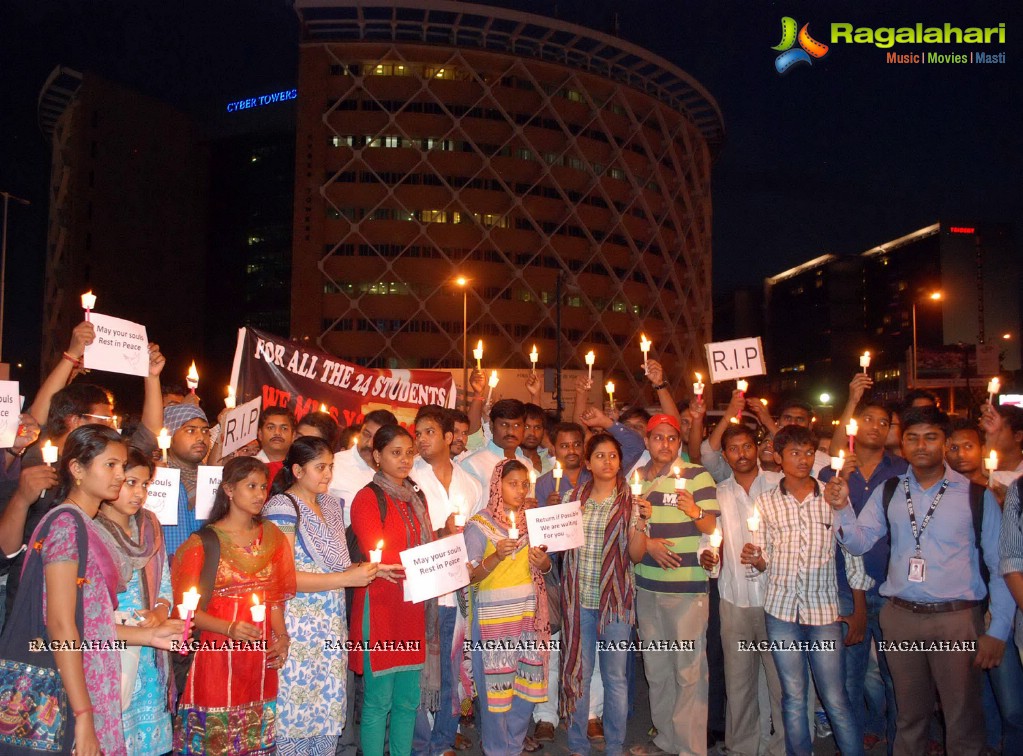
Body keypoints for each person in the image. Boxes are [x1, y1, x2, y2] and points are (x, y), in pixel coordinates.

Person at [828, 405, 1013, 755]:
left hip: (956, 620)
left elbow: (1000, 563)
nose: (921, 445)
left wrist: (998, 629)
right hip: (901, 619)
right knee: (909, 716)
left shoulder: (976, 495)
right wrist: (841, 508)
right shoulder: (890, 490)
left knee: (962, 718)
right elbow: (859, 540)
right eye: (912, 438)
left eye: (930, 437)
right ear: (903, 443)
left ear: (944, 442)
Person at [17, 425, 180, 756]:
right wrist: (83, 715)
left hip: (97, 673)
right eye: (111, 465)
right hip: (73, 686)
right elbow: (62, 627)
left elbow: (93, 625)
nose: (120, 475)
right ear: (77, 469)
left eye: (123, 466)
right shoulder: (66, 525)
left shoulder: (84, 525)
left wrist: (151, 637)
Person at [746, 424, 869, 756]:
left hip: (824, 612)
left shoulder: (833, 496)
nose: (802, 460)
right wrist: (756, 559)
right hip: (781, 612)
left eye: (808, 452)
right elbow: (764, 557)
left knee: (835, 696)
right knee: (793, 695)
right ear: (779, 456)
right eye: (794, 453)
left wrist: (859, 610)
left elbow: (852, 554)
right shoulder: (766, 502)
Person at [172, 456, 296, 755]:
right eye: (250, 486)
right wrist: (228, 627)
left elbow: (275, 597)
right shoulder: (204, 542)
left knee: (253, 740)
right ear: (228, 489)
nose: (259, 494)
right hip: (215, 655)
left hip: (258, 656)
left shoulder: (273, 538)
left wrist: (281, 637)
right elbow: (184, 610)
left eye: (263, 486)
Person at [264, 436, 380, 756]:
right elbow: (284, 578)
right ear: (298, 470)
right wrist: (347, 578)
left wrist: (368, 570)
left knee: (326, 708)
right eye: (320, 467)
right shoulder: (281, 508)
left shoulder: (329, 505)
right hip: (297, 626)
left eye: (330, 466)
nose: (327, 474)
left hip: (329, 623)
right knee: (295, 709)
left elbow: (337, 565)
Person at [817, 375, 907, 752]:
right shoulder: (832, 474)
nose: (876, 426)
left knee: (895, 675)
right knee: (849, 676)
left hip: (893, 586)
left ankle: (897, 742)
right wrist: (840, 483)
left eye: (884, 422)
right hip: (844, 585)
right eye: (868, 419)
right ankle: (851, 743)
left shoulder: (902, 471)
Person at [629, 414, 718, 756]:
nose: (664, 444)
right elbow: (630, 529)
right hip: (647, 586)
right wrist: (647, 541)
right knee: (657, 667)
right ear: (647, 441)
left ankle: (690, 747)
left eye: (671, 438)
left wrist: (694, 510)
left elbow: (711, 525)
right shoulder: (636, 479)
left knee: (689, 669)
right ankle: (665, 737)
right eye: (657, 438)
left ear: (679, 443)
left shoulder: (697, 475)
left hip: (687, 588)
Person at [349, 424, 438, 756]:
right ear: (377, 456)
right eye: (395, 453)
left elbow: (422, 548)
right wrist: (427, 563)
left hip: (414, 607)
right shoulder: (367, 498)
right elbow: (380, 556)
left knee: (407, 701)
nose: (404, 460)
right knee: (377, 701)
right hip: (381, 606)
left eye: (409, 453)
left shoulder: (416, 497)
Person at [560, 432, 650, 756]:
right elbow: (557, 546)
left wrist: (640, 523)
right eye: (599, 456)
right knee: (579, 674)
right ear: (587, 462)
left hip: (615, 605)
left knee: (615, 678)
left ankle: (614, 746)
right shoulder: (572, 499)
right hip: (579, 601)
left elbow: (637, 556)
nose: (607, 461)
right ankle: (577, 744)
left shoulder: (632, 502)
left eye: (612, 456)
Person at [698, 423, 785, 756]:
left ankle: (782, 748)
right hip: (734, 601)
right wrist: (707, 557)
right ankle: (743, 747)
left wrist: (768, 560)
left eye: (747, 446)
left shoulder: (779, 486)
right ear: (725, 455)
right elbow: (709, 538)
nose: (741, 454)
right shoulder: (720, 493)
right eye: (733, 449)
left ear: (757, 447)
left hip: (776, 600)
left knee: (781, 684)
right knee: (739, 683)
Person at [465, 459, 553, 755]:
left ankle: (513, 746)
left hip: (529, 616)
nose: (519, 490)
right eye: (512, 484)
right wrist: (495, 557)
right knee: (495, 690)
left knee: (526, 688)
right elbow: (470, 575)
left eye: (524, 485)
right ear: (497, 485)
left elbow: (546, 563)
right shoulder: (481, 524)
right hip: (494, 621)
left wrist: (545, 563)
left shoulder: (534, 521)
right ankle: (495, 749)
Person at [411, 406, 482, 756]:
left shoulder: (470, 484)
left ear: (448, 437)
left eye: (429, 432)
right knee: (422, 675)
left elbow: (476, 534)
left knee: (450, 673)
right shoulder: (410, 477)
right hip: (422, 592)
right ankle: (421, 745)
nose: (422, 439)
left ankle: (443, 741)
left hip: (457, 592)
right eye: (418, 433)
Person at [95, 447, 175, 755]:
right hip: (109, 643)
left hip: (150, 653)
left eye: (145, 484)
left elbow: (164, 579)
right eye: (131, 483)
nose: (140, 493)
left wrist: (160, 609)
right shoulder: (92, 528)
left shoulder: (149, 524)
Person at [461, 399, 536, 513]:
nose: (511, 431)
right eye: (504, 425)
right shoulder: (473, 464)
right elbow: (465, 513)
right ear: (491, 426)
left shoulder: (526, 464)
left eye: (517, 425)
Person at [161, 403, 212, 556]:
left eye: (205, 431)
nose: (201, 438)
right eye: (190, 431)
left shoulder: (212, 480)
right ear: (170, 437)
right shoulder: (156, 479)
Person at [330, 409, 397, 524]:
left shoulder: (396, 471)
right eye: (366, 434)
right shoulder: (334, 465)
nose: (369, 443)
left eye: (376, 439)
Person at [256, 407, 297, 485]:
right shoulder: (246, 468)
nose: (277, 433)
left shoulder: (301, 470)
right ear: (260, 434)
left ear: (293, 436)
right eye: (270, 427)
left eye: (284, 428)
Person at [947, 418, 988, 486]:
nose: (961, 454)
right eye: (954, 448)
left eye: (968, 446)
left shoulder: (999, 487)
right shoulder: (938, 490)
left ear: (983, 450)